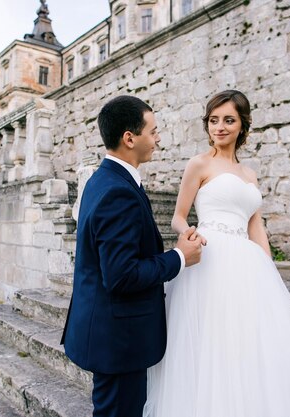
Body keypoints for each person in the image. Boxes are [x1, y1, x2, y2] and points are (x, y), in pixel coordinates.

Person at [143, 90, 290, 417]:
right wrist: (188, 234)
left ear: (242, 125)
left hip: (247, 263)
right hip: (209, 257)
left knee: (254, 339)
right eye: (213, 120)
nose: (219, 127)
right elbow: (178, 216)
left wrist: (268, 269)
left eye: (228, 120)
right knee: (214, 339)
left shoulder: (250, 175)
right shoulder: (199, 164)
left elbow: (256, 226)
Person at [61, 95, 205, 417]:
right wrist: (179, 257)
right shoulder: (117, 191)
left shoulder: (105, 180)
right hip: (118, 340)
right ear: (130, 138)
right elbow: (121, 275)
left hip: (109, 332)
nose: (157, 139)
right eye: (152, 132)